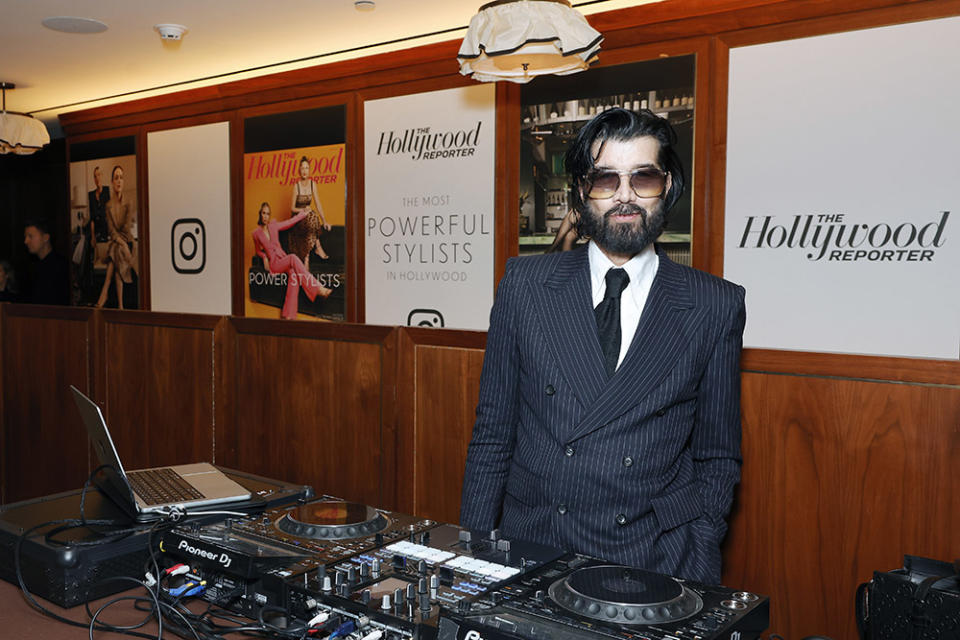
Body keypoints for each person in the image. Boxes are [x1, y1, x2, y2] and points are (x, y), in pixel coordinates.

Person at [459, 108, 746, 585]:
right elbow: (492, 435)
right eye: (605, 179)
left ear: (668, 186)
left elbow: (717, 456)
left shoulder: (713, 304)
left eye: (644, 177)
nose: (625, 196)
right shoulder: (525, 285)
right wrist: (474, 558)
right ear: (580, 191)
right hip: (534, 551)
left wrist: (700, 554)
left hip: (653, 561)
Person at [252, 202, 331, 320]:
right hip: (274, 264)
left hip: (283, 259)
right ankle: (318, 288)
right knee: (293, 257)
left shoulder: (273, 226)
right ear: (260, 214)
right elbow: (258, 250)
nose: (266, 216)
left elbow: (289, 223)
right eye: (264, 213)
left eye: (268, 214)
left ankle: (289, 315)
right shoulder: (256, 233)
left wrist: (303, 214)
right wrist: (264, 257)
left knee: (294, 275)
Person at [95, 166, 135, 309]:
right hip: (119, 245)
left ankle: (105, 292)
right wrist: (121, 245)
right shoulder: (108, 206)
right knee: (117, 250)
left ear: (123, 182)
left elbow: (125, 229)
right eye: (116, 178)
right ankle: (120, 306)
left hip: (127, 242)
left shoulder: (129, 202)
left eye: (121, 177)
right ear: (112, 182)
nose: (119, 181)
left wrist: (124, 244)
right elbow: (111, 231)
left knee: (116, 250)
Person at [288, 156, 331, 267]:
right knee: (311, 215)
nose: (304, 171)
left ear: (309, 170)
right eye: (302, 168)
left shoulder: (313, 184)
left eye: (307, 168)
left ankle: (306, 258)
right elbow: (292, 208)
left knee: (312, 216)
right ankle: (318, 248)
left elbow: (318, 203)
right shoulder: (296, 186)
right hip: (297, 218)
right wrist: (303, 210)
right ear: (299, 170)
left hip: (308, 218)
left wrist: (324, 221)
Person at [23, 219, 70, 305]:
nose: (26, 241)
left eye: (30, 236)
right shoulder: (32, 266)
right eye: (25, 237)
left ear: (45, 238)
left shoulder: (60, 266)